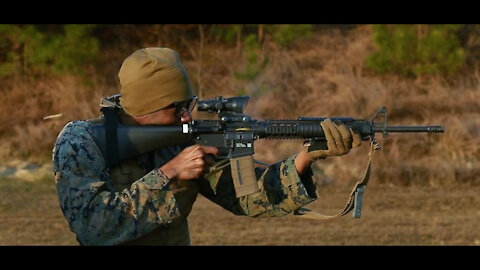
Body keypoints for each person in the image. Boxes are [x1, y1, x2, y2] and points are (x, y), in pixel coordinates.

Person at [53, 47, 361, 245]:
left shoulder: (184, 137)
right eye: (177, 107)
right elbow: (93, 227)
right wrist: (169, 172)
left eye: (190, 104)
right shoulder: (82, 142)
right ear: (146, 108)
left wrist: (306, 157)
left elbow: (248, 197)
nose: (187, 115)